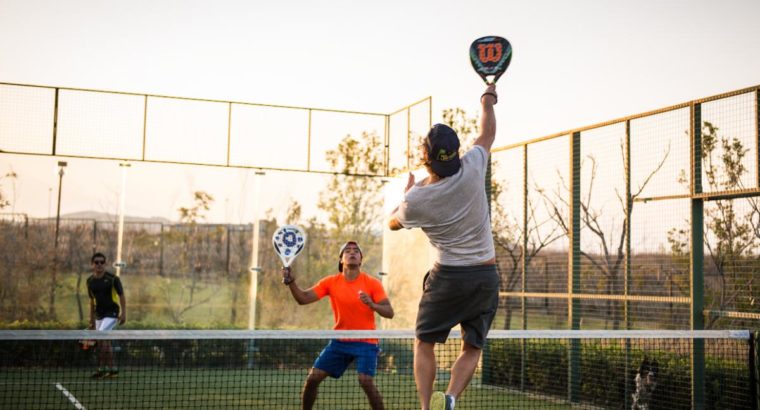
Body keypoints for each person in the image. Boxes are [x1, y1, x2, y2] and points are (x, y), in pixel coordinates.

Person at [387, 83, 500, 410]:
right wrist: (487, 100)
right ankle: (450, 398)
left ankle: (426, 407)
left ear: (425, 158)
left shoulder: (417, 200)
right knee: (472, 348)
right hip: (485, 277)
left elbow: (393, 223)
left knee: (424, 343)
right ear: (455, 152)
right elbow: (487, 132)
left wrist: (405, 198)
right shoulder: (474, 166)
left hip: (448, 278)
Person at [282, 241, 394, 410]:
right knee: (312, 379)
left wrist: (373, 305)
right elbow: (303, 299)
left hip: (366, 341)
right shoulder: (330, 282)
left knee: (365, 381)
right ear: (341, 259)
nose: (352, 253)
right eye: (347, 251)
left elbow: (389, 312)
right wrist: (291, 282)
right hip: (340, 342)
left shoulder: (372, 283)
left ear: (361, 260)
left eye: (356, 251)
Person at [86, 252, 126, 379]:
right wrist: (91, 320)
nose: (99, 265)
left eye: (102, 262)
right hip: (99, 315)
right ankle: (112, 369)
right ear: (92, 264)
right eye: (96, 262)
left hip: (112, 314)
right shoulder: (90, 281)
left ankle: (102, 369)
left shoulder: (113, 279)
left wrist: (123, 313)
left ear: (105, 264)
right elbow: (92, 301)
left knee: (103, 339)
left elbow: (122, 296)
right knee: (104, 342)